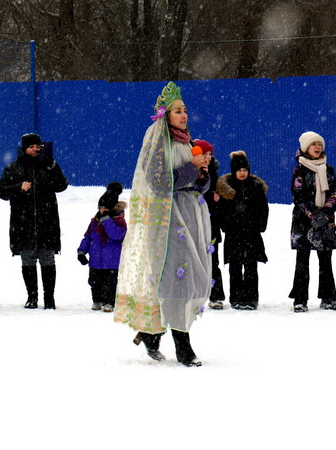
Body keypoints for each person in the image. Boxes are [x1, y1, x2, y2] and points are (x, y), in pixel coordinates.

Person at [114, 81, 212, 367]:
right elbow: (158, 182)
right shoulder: (158, 143)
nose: (183, 115)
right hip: (167, 218)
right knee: (175, 278)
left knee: (185, 277)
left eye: (185, 110)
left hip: (189, 215)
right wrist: (191, 170)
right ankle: (183, 346)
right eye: (177, 111)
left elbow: (197, 183)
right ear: (166, 116)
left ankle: (150, 332)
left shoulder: (187, 142)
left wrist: (202, 175)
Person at [0, 133, 68, 310]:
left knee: (47, 258)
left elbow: (62, 185)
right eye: (31, 147)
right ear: (24, 149)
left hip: (47, 221)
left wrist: (53, 167)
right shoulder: (14, 167)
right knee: (27, 259)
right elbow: (1, 191)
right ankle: (32, 297)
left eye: (38, 146)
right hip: (23, 222)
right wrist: (18, 187)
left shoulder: (49, 165)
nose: (36, 149)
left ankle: (49, 298)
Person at [289, 131, 336, 312]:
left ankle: (328, 297)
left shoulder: (328, 169)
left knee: (325, 260)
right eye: (313, 144)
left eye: (319, 144)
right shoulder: (299, 170)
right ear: (305, 148)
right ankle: (300, 299)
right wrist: (313, 214)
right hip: (304, 221)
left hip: (325, 220)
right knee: (302, 261)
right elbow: (299, 195)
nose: (317, 147)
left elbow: (335, 191)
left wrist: (326, 211)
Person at [216, 151, 269, 310]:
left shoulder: (255, 186)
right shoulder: (227, 188)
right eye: (239, 170)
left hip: (252, 233)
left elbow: (263, 208)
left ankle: (251, 298)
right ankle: (236, 297)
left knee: (251, 266)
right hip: (234, 234)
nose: (242, 173)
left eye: (245, 170)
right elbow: (222, 210)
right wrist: (227, 226)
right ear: (234, 171)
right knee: (235, 267)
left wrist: (259, 225)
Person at [77, 182, 127, 313]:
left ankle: (109, 302)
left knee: (109, 283)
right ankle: (97, 300)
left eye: (104, 208)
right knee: (94, 282)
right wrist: (82, 251)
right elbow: (88, 237)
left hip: (111, 261)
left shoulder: (118, 221)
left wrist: (106, 220)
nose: (101, 210)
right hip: (95, 260)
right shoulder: (95, 221)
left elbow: (116, 235)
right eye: (100, 207)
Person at [196, 139, 226, 309]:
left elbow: (222, 207)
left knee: (213, 261)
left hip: (211, 225)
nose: (207, 158)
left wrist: (218, 201)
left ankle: (216, 295)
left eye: (210, 154)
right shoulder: (191, 175)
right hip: (194, 225)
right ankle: (195, 294)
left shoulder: (216, 177)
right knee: (193, 260)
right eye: (204, 154)